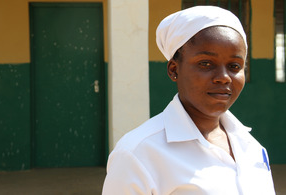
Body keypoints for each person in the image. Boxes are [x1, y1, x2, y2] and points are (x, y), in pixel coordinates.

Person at [102, 6, 276, 195]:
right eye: (206, 63)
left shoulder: (249, 146)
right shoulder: (138, 153)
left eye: (235, 66)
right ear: (174, 70)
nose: (224, 77)